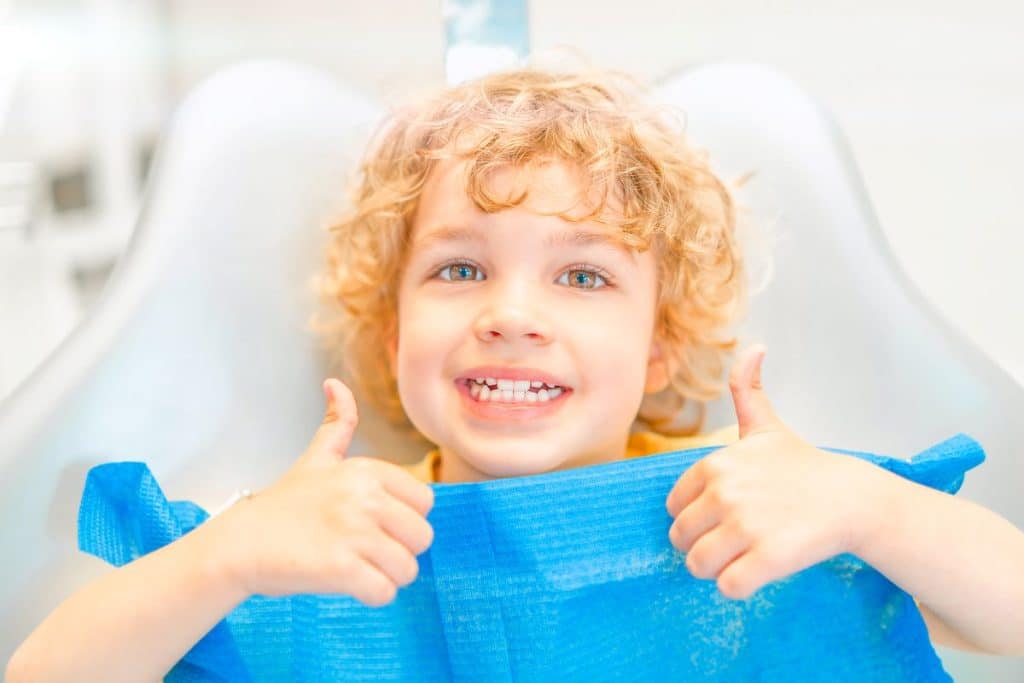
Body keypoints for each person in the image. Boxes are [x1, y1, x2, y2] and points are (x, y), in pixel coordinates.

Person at [8, 61, 1024, 682]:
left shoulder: (749, 509)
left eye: (581, 274)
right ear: (392, 327)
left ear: (660, 345)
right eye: (458, 269)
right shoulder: (316, 535)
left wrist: (869, 509)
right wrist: (222, 559)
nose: (509, 314)